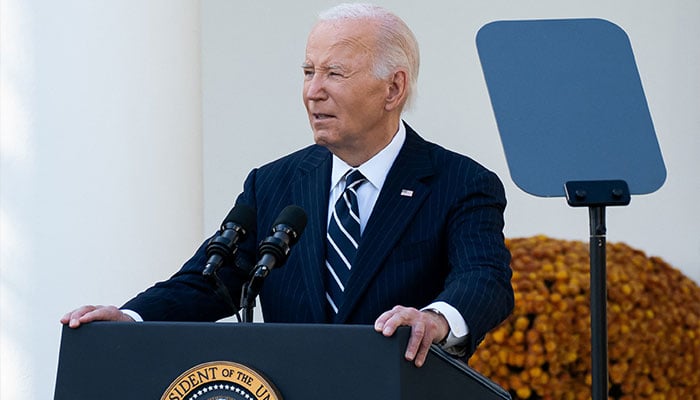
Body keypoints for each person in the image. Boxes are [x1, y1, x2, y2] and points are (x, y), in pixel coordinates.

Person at [61, 3, 513, 368]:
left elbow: (483, 278)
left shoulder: (460, 183)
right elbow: (210, 282)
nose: (313, 91)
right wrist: (130, 318)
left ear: (393, 89)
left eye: (334, 73)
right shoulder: (273, 183)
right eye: (307, 71)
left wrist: (434, 319)